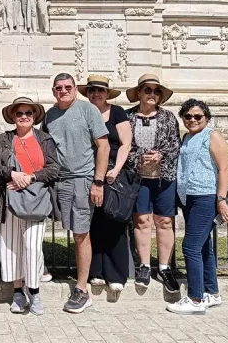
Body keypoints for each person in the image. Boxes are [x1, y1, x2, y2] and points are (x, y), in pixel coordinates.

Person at [0, 97, 59, 315]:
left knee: (32, 247)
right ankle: (18, 292)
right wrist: (13, 174)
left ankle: (34, 292)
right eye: (19, 114)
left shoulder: (44, 139)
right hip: (8, 201)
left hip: (36, 200)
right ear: (13, 117)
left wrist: (31, 178)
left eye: (28, 113)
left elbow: (54, 168)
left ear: (34, 116)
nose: (24, 117)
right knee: (11, 248)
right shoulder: (4, 139)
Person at [44, 73, 109, 314]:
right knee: (70, 229)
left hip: (83, 179)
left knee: (81, 233)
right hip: (60, 180)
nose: (63, 91)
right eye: (59, 88)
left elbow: (103, 145)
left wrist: (98, 181)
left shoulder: (87, 110)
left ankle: (82, 289)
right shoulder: (50, 115)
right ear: (53, 91)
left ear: (74, 89)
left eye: (68, 87)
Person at [167, 99, 228, 315]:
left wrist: (221, 200)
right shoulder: (187, 137)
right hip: (190, 198)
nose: (192, 120)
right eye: (188, 116)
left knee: (190, 247)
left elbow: (224, 169)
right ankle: (211, 293)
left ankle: (195, 299)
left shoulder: (213, 136)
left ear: (207, 118)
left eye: (198, 116)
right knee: (204, 247)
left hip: (206, 197)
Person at [126, 74, 181, 293]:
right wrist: (140, 156)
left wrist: (160, 155)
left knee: (165, 221)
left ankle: (165, 267)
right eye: (147, 90)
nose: (152, 94)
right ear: (138, 93)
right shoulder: (128, 117)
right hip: (138, 177)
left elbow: (175, 145)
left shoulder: (168, 118)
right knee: (141, 221)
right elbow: (123, 146)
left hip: (163, 177)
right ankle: (145, 265)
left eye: (156, 91)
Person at [79, 76, 133, 294]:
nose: (95, 94)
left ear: (107, 93)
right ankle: (96, 272)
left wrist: (115, 169)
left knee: (114, 221)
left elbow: (126, 143)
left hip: (112, 171)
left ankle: (116, 274)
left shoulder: (117, 112)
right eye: (91, 90)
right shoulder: (83, 111)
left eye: (100, 90)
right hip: (87, 170)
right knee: (93, 223)